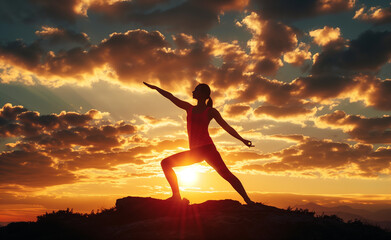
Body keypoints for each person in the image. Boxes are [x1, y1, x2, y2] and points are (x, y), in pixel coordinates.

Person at [144, 82, 255, 205]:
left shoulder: (210, 111)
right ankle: (176, 197)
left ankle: (248, 200)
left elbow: (226, 127)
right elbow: (171, 97)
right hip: (196, 152)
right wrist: (156, 88)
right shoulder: (189, 108)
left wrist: (242, 140)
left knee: (226, 174)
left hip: (208, 150)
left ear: (202, 94)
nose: (192, 92)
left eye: (195, 90)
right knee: (165, 163)